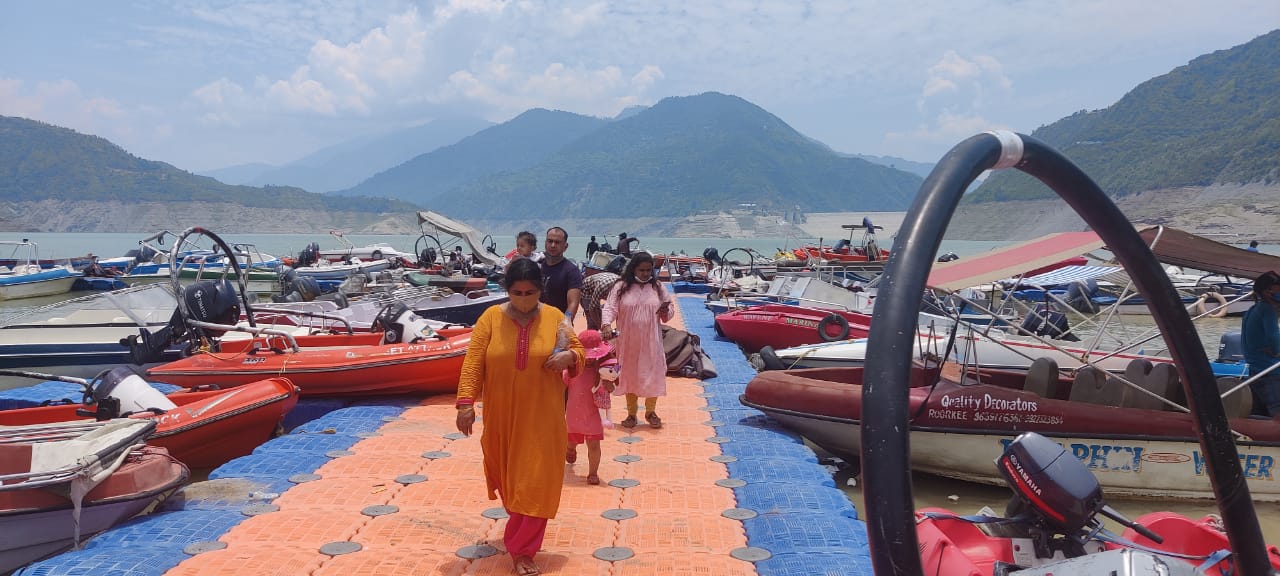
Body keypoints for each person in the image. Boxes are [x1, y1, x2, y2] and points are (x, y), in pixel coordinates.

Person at [455, 257, 584, 576]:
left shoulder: (556, 318)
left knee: (537, 483)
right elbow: (473, 362)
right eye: (517, 292)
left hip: (544, 418)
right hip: (503, 418)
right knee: (511, 485)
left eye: (530, 293)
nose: (524, 299)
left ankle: (523, 551)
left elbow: (579, 351)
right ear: (507, 290)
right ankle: (520, 530)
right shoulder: (489, 319)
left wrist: (568, 356)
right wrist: (465, 403)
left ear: (540, 290)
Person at [600, 251, 674, 429]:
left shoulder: (657, 287)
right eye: (641, 270)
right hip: (628, 340)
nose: (645, 274)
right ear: (634, 268)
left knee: (652, 373)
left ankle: (651, 412)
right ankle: (631, 414)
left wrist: (665, 311)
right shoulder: (621, 286)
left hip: (651, 340)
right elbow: (610, 307)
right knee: (630, 373)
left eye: (649, 270)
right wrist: (606, 325)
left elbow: (669, 309)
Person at [565, 329, 616, 485]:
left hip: (594, 414)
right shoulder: (572, 369)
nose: (588, 360)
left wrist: (609, 385)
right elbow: (561, 385)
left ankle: (593, 473)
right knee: (572, 439)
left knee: (594, 445)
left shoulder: (601, 371)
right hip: (574, 414)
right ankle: (570, 449)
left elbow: (611, 388)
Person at [1242, 270, 1280, 418]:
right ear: (1268, 292)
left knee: (1258, 412)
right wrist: (1276, 351)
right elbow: (1274, 338)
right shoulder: (1267, 310)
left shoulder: (1253, 309)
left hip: (1255, 369)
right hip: (1269, 372)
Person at [539, 227, 583, 324]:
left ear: (565, 246)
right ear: (545, 243)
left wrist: (565, 323)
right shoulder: (536, 266)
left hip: (559, 325)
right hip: (536, 324)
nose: (553, 245)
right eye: (550, 241)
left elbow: (573, 303)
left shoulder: (571, 271)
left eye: (557, 242)